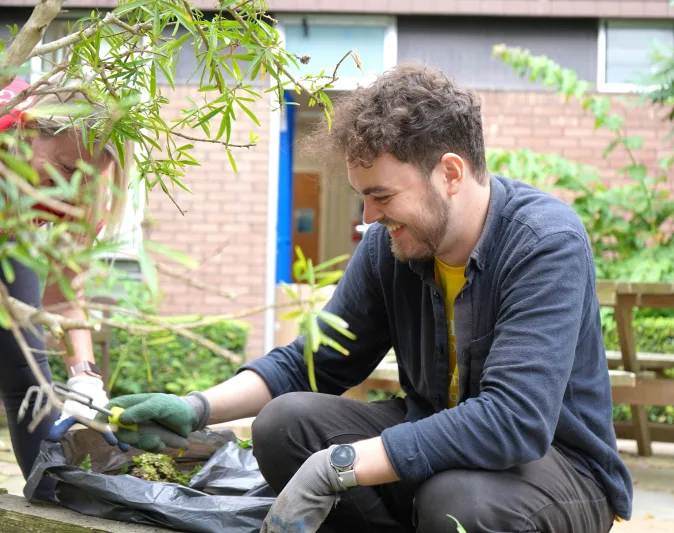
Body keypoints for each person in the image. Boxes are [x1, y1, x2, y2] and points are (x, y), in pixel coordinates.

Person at [101, 62, 634, 533]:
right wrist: (195, 408)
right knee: (285, 426)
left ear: (449, 173)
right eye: (363, 198)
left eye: (381, 196)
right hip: (437, 449)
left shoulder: (544, 243)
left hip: (556, 468)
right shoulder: (392, 244)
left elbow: (514, 421)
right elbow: (313, 364)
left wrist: (340, 466)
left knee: (459, 505)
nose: (368, 219)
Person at [0, 77, 130, 492]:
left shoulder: (85, 189)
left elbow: (63, 292)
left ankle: (50, 499)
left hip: (11, 242)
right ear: (27, 131)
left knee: (26, 367)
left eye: (90, 176)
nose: (76, 188)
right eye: (69, 168)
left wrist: (84, 380)